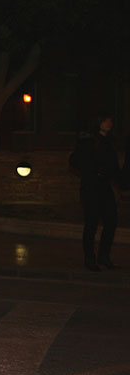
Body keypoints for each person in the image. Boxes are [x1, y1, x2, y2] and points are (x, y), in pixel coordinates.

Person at [69, 114, 122, 271]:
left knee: (111, 221)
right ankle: (90, 258)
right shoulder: (88, 141)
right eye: (105, 121)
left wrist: (119, 182)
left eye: (110, 121)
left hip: (104, 187)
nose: (109, 123)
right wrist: (91, 172)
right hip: (91, 187)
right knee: (91, 223)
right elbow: (75, 160)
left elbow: (113, 166)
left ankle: (104, 256)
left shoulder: (109, 143)